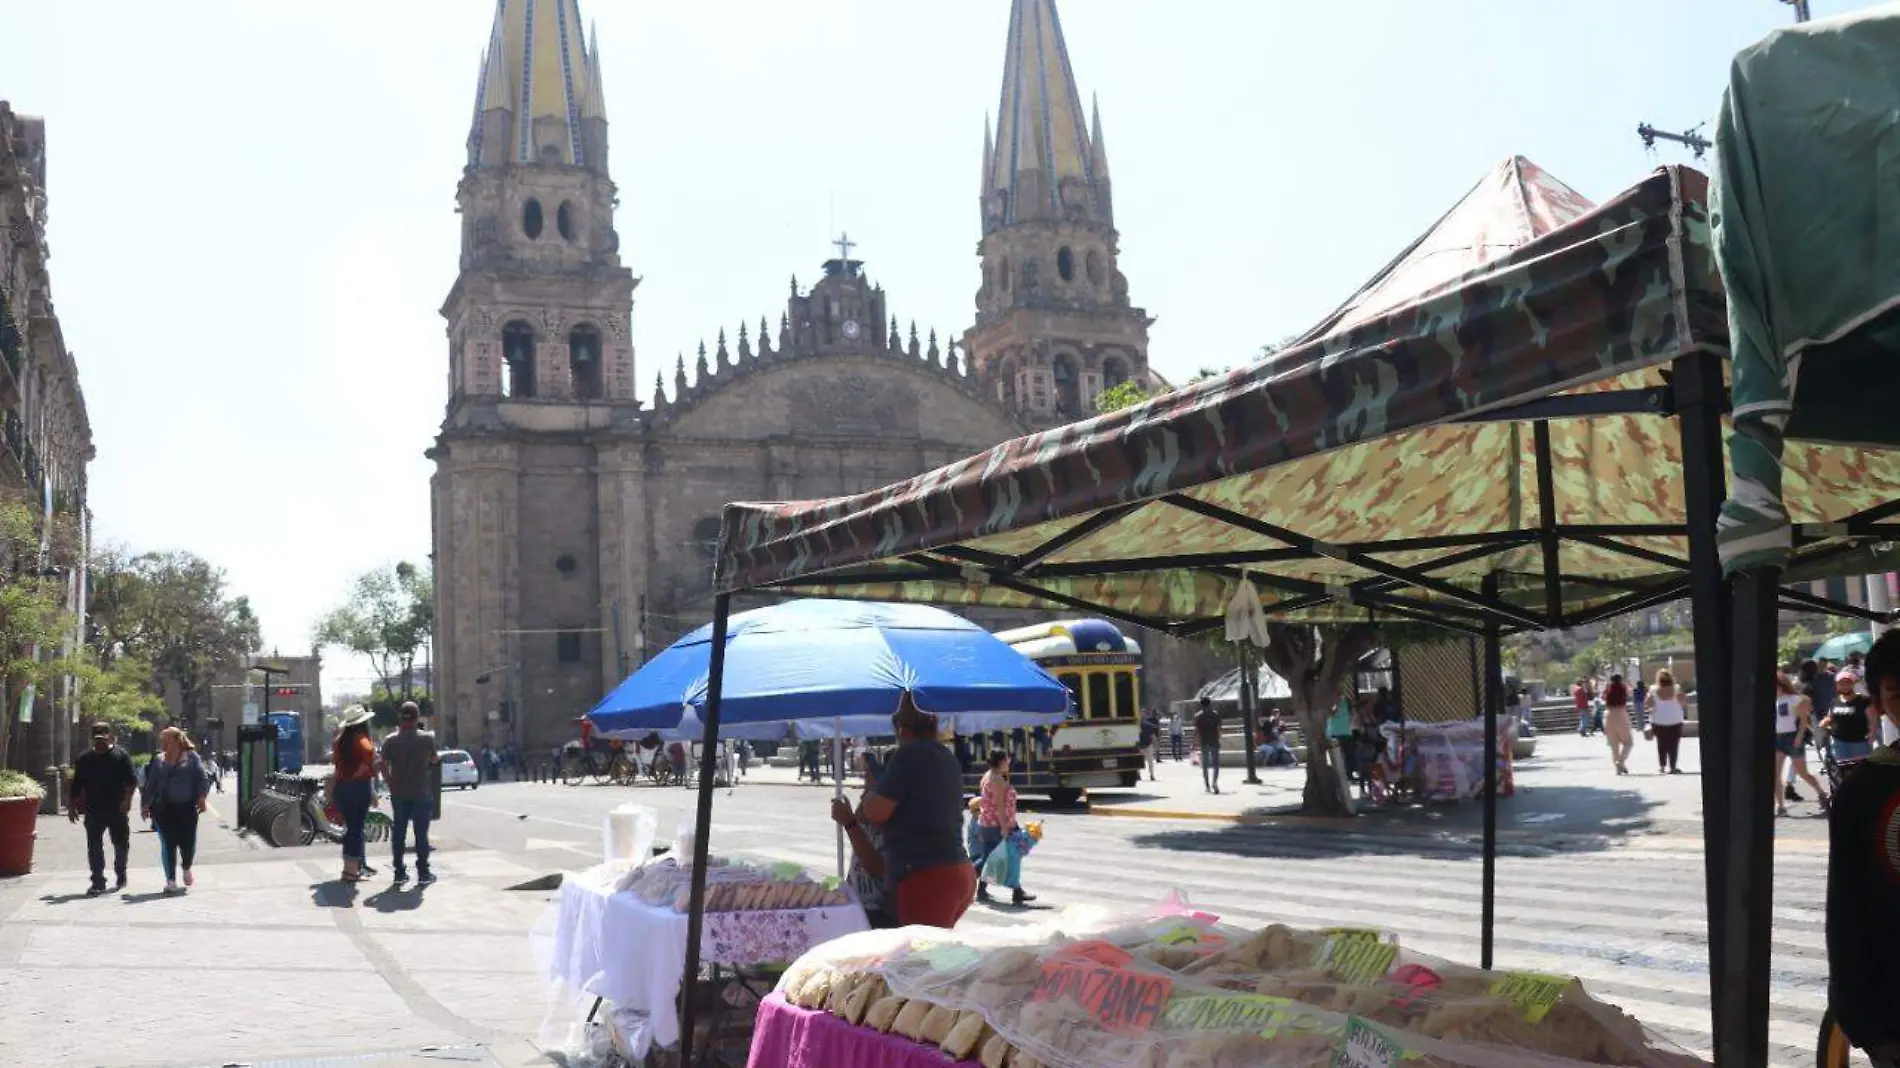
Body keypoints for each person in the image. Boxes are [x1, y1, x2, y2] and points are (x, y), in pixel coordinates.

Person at [1826, 628, 1900, 1067]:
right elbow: (1847, 912)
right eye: (1896, 692)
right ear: (1879, 702)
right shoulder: (1862, 792)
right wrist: (1864, 1022)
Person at [857, 694, 975, 928]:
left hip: (925, 876)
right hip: (958, 870)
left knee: (920, 958)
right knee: (934, 952)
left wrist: (869, 792)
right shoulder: (946, 756)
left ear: (901, 728)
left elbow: (876, 812)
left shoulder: (908, 755)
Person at [68, 723, 138, 896]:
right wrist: (72, 807)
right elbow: (76, 785)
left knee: (121, 844)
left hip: (117, 808)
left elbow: (131, 781)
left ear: (110, 736)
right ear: (92, 738)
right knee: (94, 845)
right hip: (94, 809)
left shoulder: (121, 756)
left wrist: (128, 801)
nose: (100, 741)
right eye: (97, 737)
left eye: (103, 737)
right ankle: (98, 880)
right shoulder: (84, 759)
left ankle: (121, 872)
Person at [140, 727, 209, 895]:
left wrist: (201, 798)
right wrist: (145, 805)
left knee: (188, 843)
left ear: (177, 740)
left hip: (186, 808)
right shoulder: (158, 760)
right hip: (163, 809)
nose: (162, 744)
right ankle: (170, 881)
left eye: (165, 740)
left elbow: (202, 779)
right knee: (168, 843)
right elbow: (151, 784)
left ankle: (186, 867)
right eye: (161, 740)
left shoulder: (192, 758)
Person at [830, 754, 896, 928]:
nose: (864, 782)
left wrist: (849, 823)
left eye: (868, 777)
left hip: (876, 911)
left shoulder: (889, 816)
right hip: (859, 903)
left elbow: (875, 867)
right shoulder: (869, 802)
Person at [379, 701, 439, 885]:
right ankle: (423, 872)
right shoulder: (426, 738)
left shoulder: (390, 740)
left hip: (399, 793)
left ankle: (399, 872)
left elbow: (382, 764)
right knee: (421, 834)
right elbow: (434, 759)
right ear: (417, 717)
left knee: (399, 833)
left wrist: (390, 782)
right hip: (421, 792)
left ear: (400, 718)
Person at [973, 750, 1033, 904]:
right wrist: (1004, 828)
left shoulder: (988, 775)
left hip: (989, 824)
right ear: (1001, 761)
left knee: (990, 858)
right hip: (997, 825)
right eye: (1007, 759)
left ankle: (981, 889)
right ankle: (1016, 891)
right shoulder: (997, 779)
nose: (1009, 761)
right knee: (1010, 856)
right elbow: (999, 806)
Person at [1772, 671, 1829, 817]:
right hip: (1778, 738)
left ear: (1781, 684)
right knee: (1775, 774)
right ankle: (1781, 806)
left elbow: (1804, 722)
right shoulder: (1773, 700)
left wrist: (1799, 737)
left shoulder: (1795, 699)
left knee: (1802, 772)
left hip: (1792, 737)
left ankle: (1822, 794)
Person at [332, 707, 379, 882]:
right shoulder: (363, 741)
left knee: (350, 829)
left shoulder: (338, 741)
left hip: (341, 788)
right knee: (356, 829)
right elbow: (369, 760)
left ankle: (351, 868)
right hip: (358, 788)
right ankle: (350, 871)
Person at [1825, 670, 1877, 764]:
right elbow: (1830, 717)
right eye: (1841, 683)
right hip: (1839, 742)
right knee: (1843, 772)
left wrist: (1872, 735)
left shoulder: (1864, 700)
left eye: (1847, 683)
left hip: (1859, 742)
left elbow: (1873, 718)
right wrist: (1823, 724)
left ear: (1853, 684)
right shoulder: (1834, 701)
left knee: (1861, 772)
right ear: (1837, 685)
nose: (1844, 686)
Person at [1647, 669, 1687, 774]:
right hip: (1675, 720)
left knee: (1661, 743)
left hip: (1658, 720)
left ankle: (1662, 766)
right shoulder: (1677, 688)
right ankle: (1673, 767)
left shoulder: (1653, 690)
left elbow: (1648, 705)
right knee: (1674, 744)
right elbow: (1683, 703)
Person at [1601, 673, 1634, 776]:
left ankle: (1617, 767)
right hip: (1620, 713)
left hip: (1608, 714)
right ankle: (1621, 761)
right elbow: (1631, 692)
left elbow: (1602, 697)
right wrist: (1628, 683)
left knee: (1614, 745)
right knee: (1628, 742)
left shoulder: (1608, 689)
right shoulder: (1623, 687)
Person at [1193, 696, 1223, 794]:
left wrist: (1195, 742)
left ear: (1201, 705)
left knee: (1205, 765)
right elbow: (1218, 730)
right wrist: (1219, 739)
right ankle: (1214, 782)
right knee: (1216, 764)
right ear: (1210, 704)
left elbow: (1196, 731)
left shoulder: (1198, 716)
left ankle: (1207, 786)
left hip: (1204, 742)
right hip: (1214, 741)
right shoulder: (1215, 715)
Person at [1326, 692, 1356, 783]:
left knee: (1349, 755)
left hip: (1346, 732)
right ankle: (1339, 776)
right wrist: (1335, 704)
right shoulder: (1328, 701)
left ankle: (1349, 774)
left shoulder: (1346, 700)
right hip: (1334, 733)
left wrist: (1349, 723)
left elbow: (1353, 713)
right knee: (1338, 756)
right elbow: (1331, 713)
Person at [1137, 709, 1159, 781]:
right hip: (1139, 746)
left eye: (1143, 714)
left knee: (1150, 761)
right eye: (1140, 714)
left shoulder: (1147, 724)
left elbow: (1152, 735)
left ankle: (1152, 775)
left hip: (1148, 745)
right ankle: (1138, 775)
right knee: (1139, 761)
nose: (1141, 715)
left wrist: (1156, 744)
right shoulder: (1135, 725)